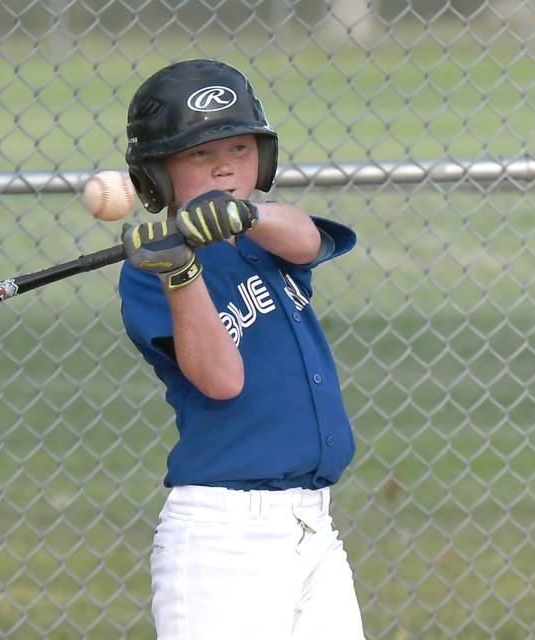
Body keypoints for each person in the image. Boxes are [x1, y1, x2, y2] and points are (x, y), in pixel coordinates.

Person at [117, 59, 367, 639]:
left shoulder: (267, 236)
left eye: (239, 147)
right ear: (157, 173)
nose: (226, 166)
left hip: (314, 529)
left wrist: (247, 216)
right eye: (199, 155)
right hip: (224, 540)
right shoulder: (149, 274)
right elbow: (222, 379)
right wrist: (180, 274)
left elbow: (306, 239)